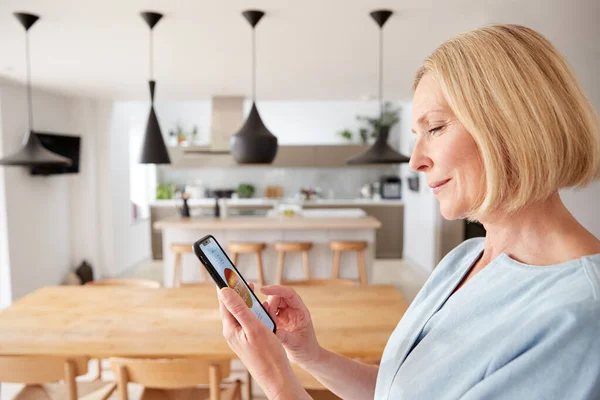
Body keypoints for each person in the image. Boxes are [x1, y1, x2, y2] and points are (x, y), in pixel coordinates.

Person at [216, 24, 600, 399]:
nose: (415, 161)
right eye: (416, 137)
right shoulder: (463, 259)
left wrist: (273, 378)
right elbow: (401, 389)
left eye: (434, 128)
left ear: (511, 125)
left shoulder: (580, 317)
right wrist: (308, 355)